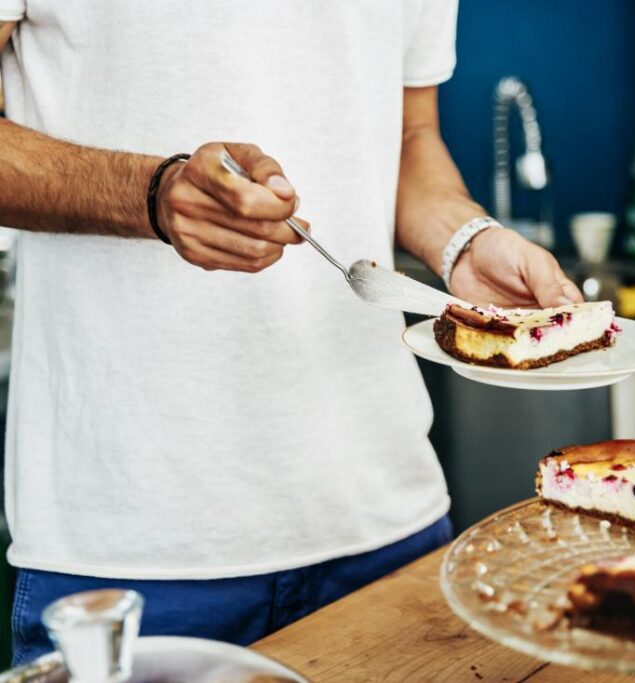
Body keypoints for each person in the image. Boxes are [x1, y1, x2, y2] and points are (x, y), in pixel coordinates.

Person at [0, 1, 581, 663]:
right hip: (134, 552)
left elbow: (411, 136)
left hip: (386, 523)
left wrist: (464, 241)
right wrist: (149, 193)